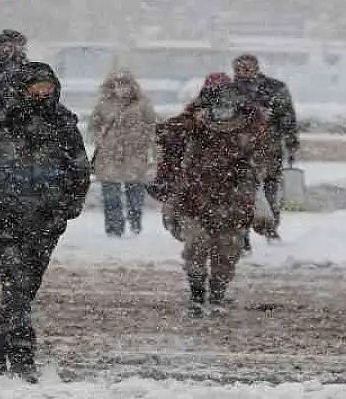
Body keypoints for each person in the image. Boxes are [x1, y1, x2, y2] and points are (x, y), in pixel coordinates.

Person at [0, 62, 90, 382]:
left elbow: (79, 169)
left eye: (47, 87)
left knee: (26, 287)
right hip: (5, 218)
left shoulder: (63, 122)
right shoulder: (2, 119)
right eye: (36, 87)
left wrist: (68, 207)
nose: (42, 94)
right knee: (17, 284)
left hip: (47, 219)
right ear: (23, 89)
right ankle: (21, 353)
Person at [154, 79, 268, 318]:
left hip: (233, 200)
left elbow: (264, 151)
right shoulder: (195, 122)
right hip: (196, 199)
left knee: (227, 251)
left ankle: (217, 295)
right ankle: (197, 295)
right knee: (196, 245)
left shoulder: (249, 124)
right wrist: (191, 117)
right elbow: (164, 132)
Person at [150, 73, 232, 242]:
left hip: (229, 166)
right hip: (200, 166)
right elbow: (177, 127)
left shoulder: (241, 110)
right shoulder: (196, 110)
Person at [232, 54, 299, 244]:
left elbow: (287, 117)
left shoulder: (275, 88)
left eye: (248, 67)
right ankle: (243, 234)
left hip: (268, 148)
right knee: (243, 192)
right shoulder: (229, 90)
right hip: (239, 150)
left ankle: (271, 228)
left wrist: (291, 142)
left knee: (270, 188)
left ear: (256, 67)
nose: (243, 71)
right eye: (240, 68)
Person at [88, 70, 157, 237]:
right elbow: (93, 126)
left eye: (125, 84)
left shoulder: (143, 105)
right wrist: (100, 139)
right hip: (109, 156)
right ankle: (114, 228)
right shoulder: (104, 104)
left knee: (135, 197)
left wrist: (148, 144)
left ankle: (135, 223)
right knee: (111, 197)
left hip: (135, 156)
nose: (122, 88)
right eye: (118, 84)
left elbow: (153, 126)